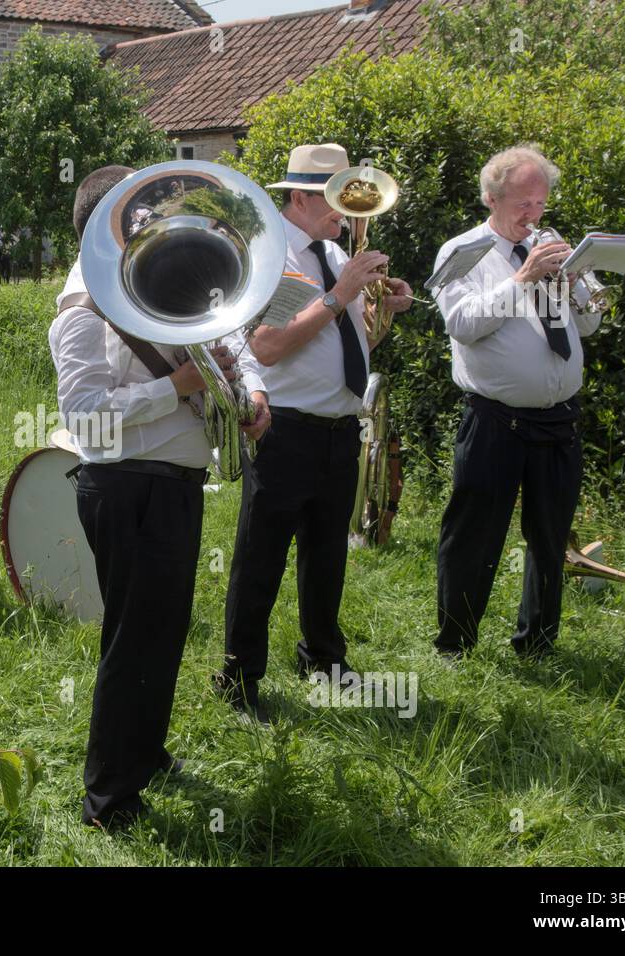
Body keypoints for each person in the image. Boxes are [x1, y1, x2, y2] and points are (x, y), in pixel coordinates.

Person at [50, 164, 270, 830]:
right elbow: (85, 416)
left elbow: (228, 334)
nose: (160, 224)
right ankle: (108, 799)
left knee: (161, 635)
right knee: (134, 641)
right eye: (143, 214)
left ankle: (142, 752)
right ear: (104, 227)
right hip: (126, 485)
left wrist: (248, 394)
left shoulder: (158, 295)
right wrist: (172, 390)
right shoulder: (83, 310)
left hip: (172, 485)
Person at [215, 143, 415, 720]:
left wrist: (381, 313)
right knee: (261, 558)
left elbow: (347, 347)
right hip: (286, 429)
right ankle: (239, 677)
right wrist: (339, 295)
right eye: (336, 199)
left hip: (338, 429)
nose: (350, 213)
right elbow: (268, 348)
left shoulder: (334, 253)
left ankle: (323, 657)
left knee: (328, 555)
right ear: (299, 197)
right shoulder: (275, 257)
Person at [431, 144, 602, 660]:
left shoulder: (554, 247)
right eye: (523, 204)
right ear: (491, 197)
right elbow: (462, 324)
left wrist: (573, 283)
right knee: (474, 536)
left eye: (541, 204)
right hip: (495, 421)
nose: (535, 215)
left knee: (550, 537)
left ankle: (539, 643)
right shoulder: (462, 252)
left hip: (559, 420)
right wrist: (522, 278)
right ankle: (455, 644)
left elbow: (592, 322)